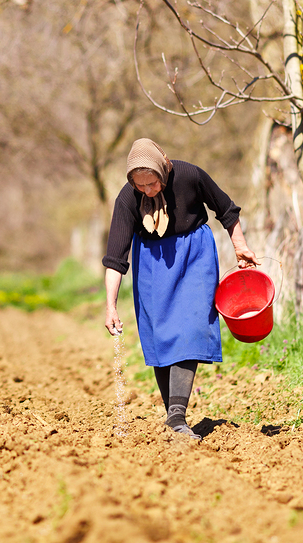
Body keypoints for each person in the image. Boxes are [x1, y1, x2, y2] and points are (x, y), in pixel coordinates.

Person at [103, 138, 258, 440]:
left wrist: (239, 245)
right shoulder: (127, 199)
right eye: (140, 186)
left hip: (194, 255)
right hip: (152, 263)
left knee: (192, 325)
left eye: (152, 183)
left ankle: (176, 415)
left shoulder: (189, 175)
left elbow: (226, 209)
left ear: (163, 170)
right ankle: (174, 417)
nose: (148, 191)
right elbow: (115, 258)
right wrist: (110, 305)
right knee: (161, 335)